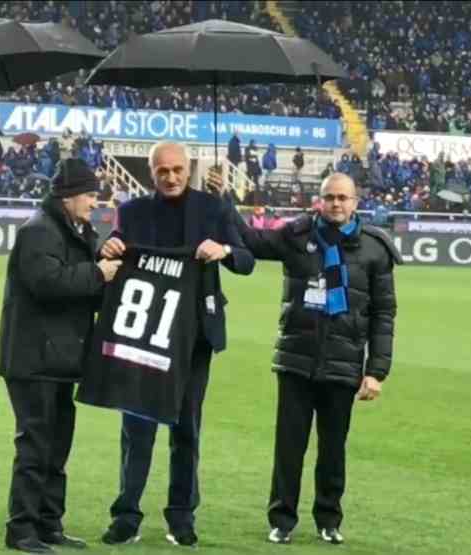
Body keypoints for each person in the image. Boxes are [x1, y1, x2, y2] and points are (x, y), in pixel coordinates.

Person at [98, 141, 255, 547]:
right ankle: (127, 514)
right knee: (137, 430)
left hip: (194, 339)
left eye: (178, 169)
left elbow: (247, 258)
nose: (171, 177)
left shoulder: (213, 209)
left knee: (186, 429)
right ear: (152, 173)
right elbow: (111, 251)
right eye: (163, 171)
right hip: (143, 338)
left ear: (189, 169)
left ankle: (181, 516)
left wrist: (223, 250)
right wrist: (109, 246)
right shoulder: (131, 213)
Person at [230, 172, 400, 546]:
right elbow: (250, 240)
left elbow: (384, 314)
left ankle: (328, 518)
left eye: (343, 197)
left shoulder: (374, 249)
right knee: (288, 446)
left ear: (356, 202)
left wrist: (376, 372)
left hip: (344, 362)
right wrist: (223, 201)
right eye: (329, 197)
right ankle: (282, 519)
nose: (336, 204)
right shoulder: (297, 236)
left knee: (333, 448)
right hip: (296, 359)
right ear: (318, 201)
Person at [0, 158, 122, 554]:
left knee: (56, 446)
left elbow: (84, 279)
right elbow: (46, 283)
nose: (93, 203)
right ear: (68, 196)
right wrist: (98, 273)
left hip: (60, 358)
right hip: (34, 359)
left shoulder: (74, 230)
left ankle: (49, 523)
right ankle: (22, 530)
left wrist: (106, 256)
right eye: (88, 195)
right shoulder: (39, 231)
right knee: (35, 445)